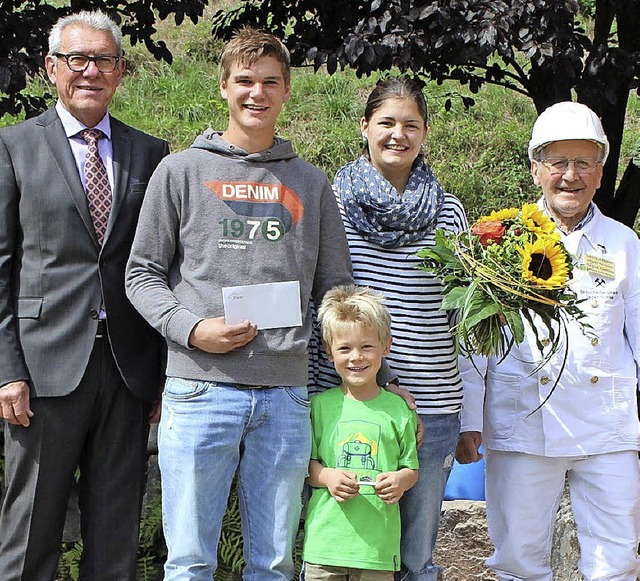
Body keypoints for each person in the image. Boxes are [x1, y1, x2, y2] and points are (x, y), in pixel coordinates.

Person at [125, 27, 353, 581]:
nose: (257, 93)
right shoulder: (179, 171)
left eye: (270, 82)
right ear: (223, 86)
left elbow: (337, 289)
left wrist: (374, 373)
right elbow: (141, 274)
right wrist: (191, 328)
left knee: (274, 562)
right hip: (200, 388)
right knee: (189, 560)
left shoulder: (311, 183)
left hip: (285, 395)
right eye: (245, 81)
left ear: (287, 90)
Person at [0, 10, 169, 580]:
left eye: (104, 60)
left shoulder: (151, 153)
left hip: (127, 369)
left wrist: (165, 373)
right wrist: (7, 370)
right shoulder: (13, 147)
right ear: (52, 67)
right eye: (78, 59)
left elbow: (163, 267)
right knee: (30, 533)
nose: (90, 71)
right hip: (43, 370)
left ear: (120, 71)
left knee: (115, 535)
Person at [456, 101, 640, 580]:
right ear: (536, 168)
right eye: (558, 162)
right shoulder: (499, 238)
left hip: (608, 427)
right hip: (522, 421)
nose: (570, 176)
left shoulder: (623, 243)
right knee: (517, 557)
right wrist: (469, 419)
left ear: (601, 172)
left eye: (584, 163)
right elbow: (476, 341)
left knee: (616, 557)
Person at [310, 76, 468, 580]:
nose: (398, 134)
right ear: (364, 127)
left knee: (416, 555)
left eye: (411, 125)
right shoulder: (331, 203)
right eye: (386, 122)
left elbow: (458, 310)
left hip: (433, 400)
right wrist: (383, 386)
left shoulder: (449, 211)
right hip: (350, 396)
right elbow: (324, 297)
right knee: (345, 545)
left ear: (424, 133)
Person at [303, 285, 419, 580]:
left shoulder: (399, 410)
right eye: (344, 348)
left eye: (367, 346)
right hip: (325, 547)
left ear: (386, 347)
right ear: (329, 353)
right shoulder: (318, 406)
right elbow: (307, 466)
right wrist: (327, 476)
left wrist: (400, 480)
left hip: (377, 552)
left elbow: (411, 468)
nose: (356, 357)